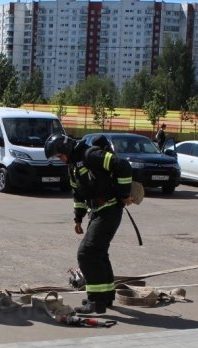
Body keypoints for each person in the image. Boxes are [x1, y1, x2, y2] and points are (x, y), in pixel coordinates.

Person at [44, 133, 133, 314]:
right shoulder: (73, 166)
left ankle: (96, 301)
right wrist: (78, 218)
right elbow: (78, 194)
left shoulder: (90, 155)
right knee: (98, 253)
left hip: (110, 209)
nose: (60, 160)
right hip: (98, 212)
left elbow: (122, 166)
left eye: (60, 156)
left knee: (86, 254)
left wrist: (124, 194)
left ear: (66, 149)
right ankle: (106, 297)